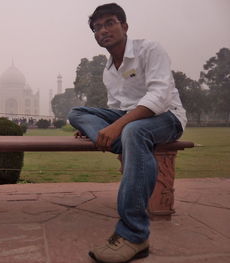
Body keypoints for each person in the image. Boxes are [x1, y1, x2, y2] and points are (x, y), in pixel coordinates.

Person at [67, 3, 186, 263]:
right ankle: (134, 149)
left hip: (167, 116)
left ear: (124, 26)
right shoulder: (109, 70)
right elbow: (117, 108)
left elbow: (159, 96)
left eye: (109, 23)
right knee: (76, 114)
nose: (103, 31)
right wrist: (98, 128)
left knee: (132, 131)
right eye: (97, 28)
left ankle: (134, 234)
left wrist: (115, 127)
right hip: (131, 119)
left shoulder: (149, 49)